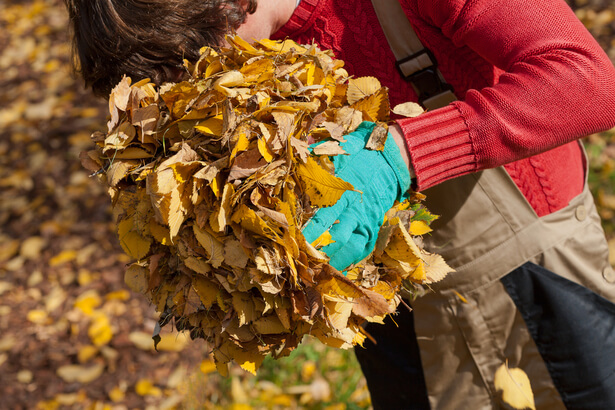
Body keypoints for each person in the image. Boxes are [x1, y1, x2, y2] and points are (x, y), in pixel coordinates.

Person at [65, 0, 615, 408]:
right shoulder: (227, 42)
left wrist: (399, 155)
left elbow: (590, 80)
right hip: (389, 312)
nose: (200, 81)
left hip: (532, 282)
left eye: (197, 60)